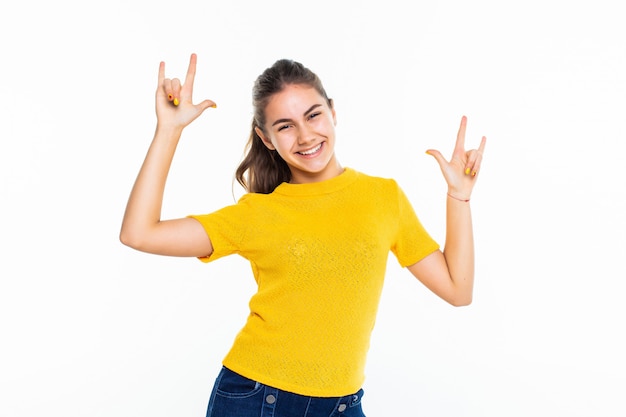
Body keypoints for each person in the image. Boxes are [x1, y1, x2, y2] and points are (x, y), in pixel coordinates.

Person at [120, 53, 486, 417]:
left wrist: (459, 197)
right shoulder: (259, 214)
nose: (306, 135)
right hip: (258, 398)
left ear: (333, 112)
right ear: (265, 138)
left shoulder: (383, 197)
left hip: (343, 405)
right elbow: (139, 234)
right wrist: (168, 131)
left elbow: (458, 289)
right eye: (285, 125)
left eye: (313, 115)